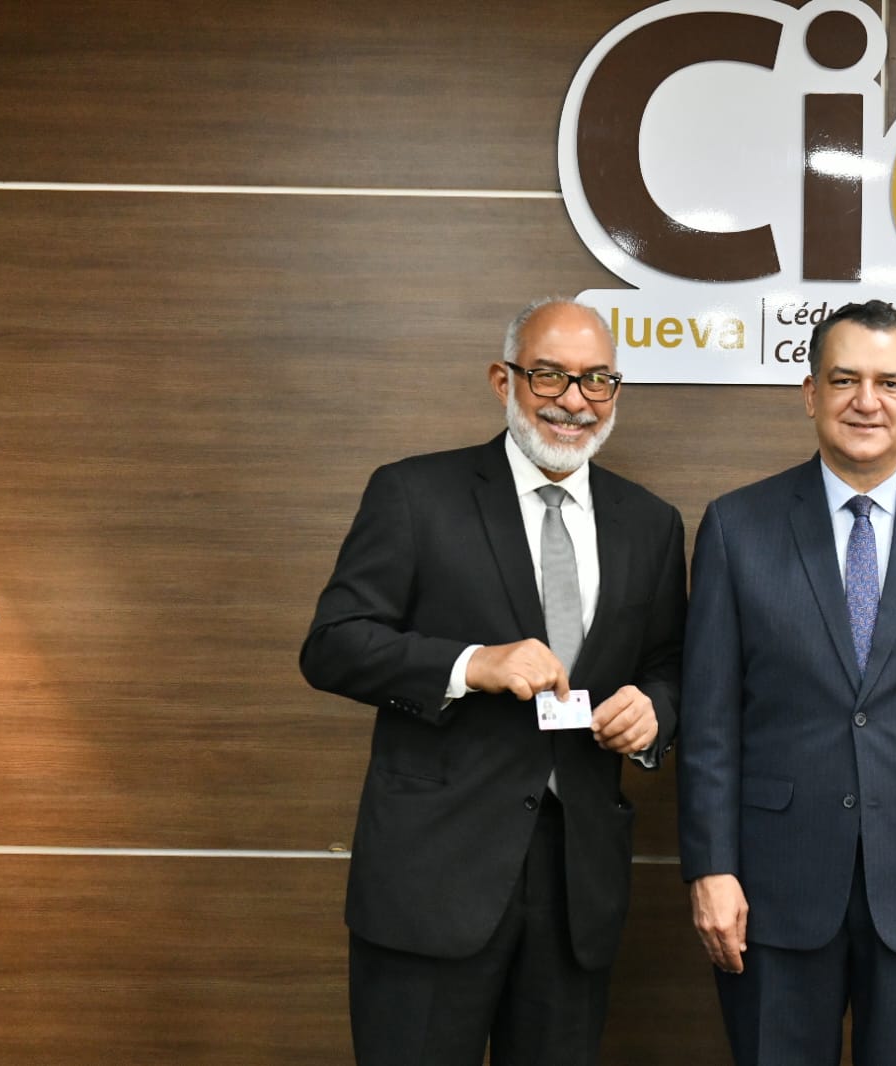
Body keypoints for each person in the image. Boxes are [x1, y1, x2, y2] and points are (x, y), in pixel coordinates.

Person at [299, 298, 686, 1066]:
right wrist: (470, 664)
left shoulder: (650, 522)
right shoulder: (414, 494)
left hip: (577, 885)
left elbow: (669, 663)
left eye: (596, 380)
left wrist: (656, 710)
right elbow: (333, 645)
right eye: (549, 376)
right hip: (432, 877)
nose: (574, 401)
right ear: (502, 380)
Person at [677, 300, 896, 1066]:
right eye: (843, 380)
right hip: (770, 888)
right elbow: (708, 724)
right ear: (810, 392)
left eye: (888, 383)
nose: (865, 401)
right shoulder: (737, 526)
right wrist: (711, 867)